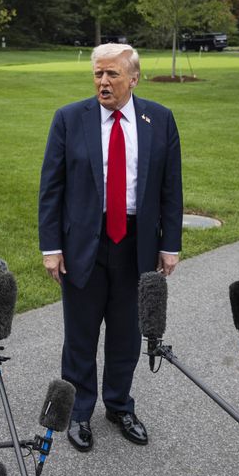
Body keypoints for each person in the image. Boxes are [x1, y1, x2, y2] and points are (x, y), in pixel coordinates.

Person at [38, 43, 183, 452]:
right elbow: (51, 189)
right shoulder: (69, 119)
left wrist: (169, 245)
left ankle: (119, 405)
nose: (103, 82)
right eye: (98, 74)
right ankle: (79, 411)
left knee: (126, 334)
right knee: (80, 335)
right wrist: (52, 246)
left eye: (112, 74)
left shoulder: (160, 120)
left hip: (137, 244)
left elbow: (172, 189)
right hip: (84, 243)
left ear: (133, 78)